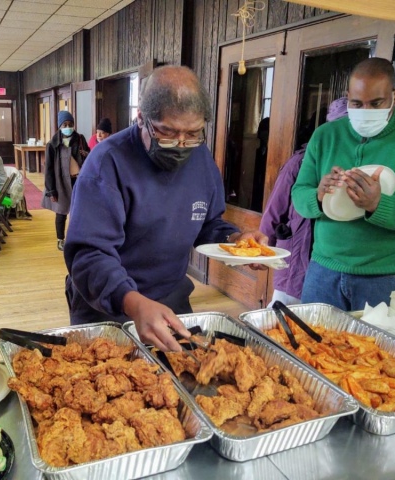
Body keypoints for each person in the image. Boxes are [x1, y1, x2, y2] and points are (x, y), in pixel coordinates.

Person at [64, 65, 267, 351]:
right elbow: (88, 255)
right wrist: (133, 302)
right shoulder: (107, 164)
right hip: (109, 303)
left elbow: (208, 223)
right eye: (167, 133)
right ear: (141, 118)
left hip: (171, 297)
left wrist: (235, 240)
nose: (181, 145)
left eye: (193, 133)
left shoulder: (200, 157)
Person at [291, 58, 395, 311]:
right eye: (357, 103)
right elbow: (299, 194)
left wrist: (378, 204)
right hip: (323, 269)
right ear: (348, 97)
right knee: (309, 337)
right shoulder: (325, 135)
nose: (365, 110)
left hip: (388, 275)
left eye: (376, 103)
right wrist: (318, 197)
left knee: (376, 340)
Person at [260, 97, 348, 306]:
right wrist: (262, 251)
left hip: (334, 264)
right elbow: (275, 209)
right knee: (285, 314)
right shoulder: (300, 162)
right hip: (298, 257)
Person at [42, 111, 90, 251]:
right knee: (61, 211)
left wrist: (86, 154)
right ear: (59, 126)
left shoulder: (79, 139)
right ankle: (60, 239)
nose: (68, 127)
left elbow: (89, 157)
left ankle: (76, 238)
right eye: (65, 125)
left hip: (77, 181)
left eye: (70, 124)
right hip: (60, 183)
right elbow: (48, 169)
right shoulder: (52, 144)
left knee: (78, 211)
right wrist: (51, 190)